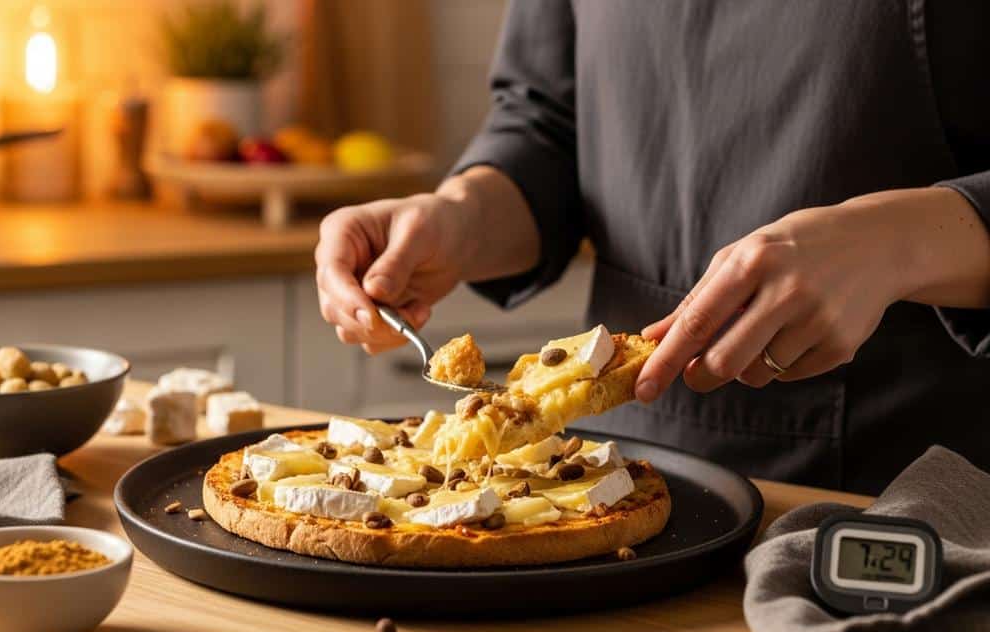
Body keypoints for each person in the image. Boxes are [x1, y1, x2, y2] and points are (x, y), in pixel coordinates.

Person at [313, 1, 990, 495]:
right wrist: (457, 218)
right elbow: (549, 124)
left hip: (913, 489)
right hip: (607, 475)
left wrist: (900, 243)